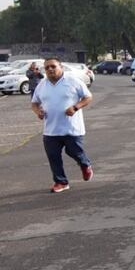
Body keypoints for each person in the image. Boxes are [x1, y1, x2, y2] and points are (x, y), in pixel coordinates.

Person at [30, 58, 94, 193]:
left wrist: (76, 107)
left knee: (73, 151)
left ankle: (85, 164)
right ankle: (61, 182)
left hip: (72, 128)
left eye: (53, 66)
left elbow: (88, 97)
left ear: (61, 67)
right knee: (53, 157)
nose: (50, 70)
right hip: (51, 130)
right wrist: (38, 112)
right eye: (47, 68)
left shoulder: (73, 81)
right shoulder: (42, 85)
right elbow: (34, 103)